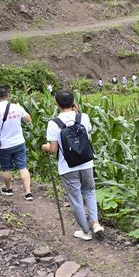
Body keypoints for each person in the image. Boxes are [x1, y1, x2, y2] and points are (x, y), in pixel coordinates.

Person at [41, 91, 103, 241]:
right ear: (74, 102)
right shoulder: (84, 117)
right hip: (86, 163)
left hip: (67, 167)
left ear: (56, 104)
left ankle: (85, 231)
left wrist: (45, 147)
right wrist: (77, 110)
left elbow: (53, 150)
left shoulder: (53, 123)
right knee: (89, 192)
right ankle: (95, 224)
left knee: (76, 199)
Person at [0, 86, 33, 200]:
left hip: (3, 145)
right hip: (19, 142)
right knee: (22, 167)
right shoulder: (17, 107)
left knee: (6, 168)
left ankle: (9, 189)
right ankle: (28, 192)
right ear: (8, 94)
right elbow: (28, 119)